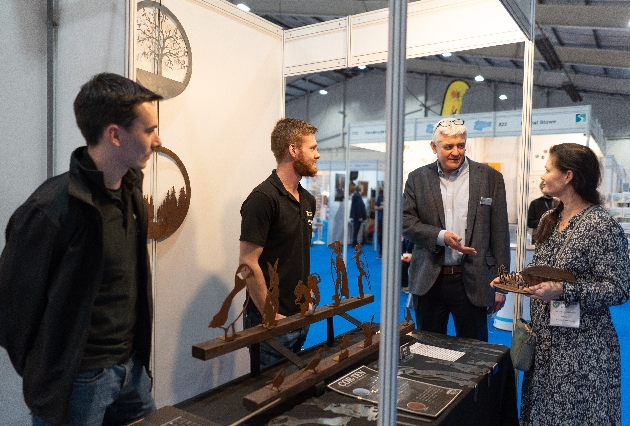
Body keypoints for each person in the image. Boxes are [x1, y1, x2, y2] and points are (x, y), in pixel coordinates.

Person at [0, 73, 162, 426]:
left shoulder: (133, 195)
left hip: (131, 371)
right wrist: (50, 372)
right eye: (149, 130)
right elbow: (12, 309)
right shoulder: (50, 210)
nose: (157, 140)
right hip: (79, 381)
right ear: (115, 134)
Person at [495, 143, 630, 425]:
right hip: (545, 348)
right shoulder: (549, 218)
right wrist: (514, 280)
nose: (542, 176)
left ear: (568, 176)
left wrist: (564, 291)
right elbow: (541, 269)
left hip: (583, 353)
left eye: (547, 169)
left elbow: (619, 288)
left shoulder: (600, 224)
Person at [402, 117, 509, 342]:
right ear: (434, 147)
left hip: (474, 280)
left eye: (460, 145)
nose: (455, 152)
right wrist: (440, 237)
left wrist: (502, 285)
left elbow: (500, 235)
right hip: (430, 280)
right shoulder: (417, 178)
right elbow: (406, 222)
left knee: (475, 352)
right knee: (427, 349)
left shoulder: (490, 178)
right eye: (448, 146)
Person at [240, 117, 319, 368]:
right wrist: (269, 314)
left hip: (299, 317)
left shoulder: (307, 200)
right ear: (293, 150)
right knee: (268, 398)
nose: (317, 155)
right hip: (270, 321)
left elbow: (296, 254)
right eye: (313, 148)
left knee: (293, 392)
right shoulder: (263, 198)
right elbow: (247, 261)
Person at [375, 188, 384, 258]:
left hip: (389, 220)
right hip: (381, 219)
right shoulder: (380, 196)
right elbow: (375, 207)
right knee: (380, 236)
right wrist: (380, 207)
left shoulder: (392, 196)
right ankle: (381, 252)